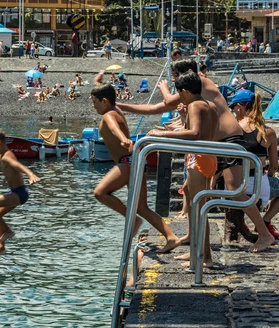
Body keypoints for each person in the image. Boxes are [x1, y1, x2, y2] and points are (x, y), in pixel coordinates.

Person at [118, 60, 275, 252]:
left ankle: (264, 234)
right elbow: (158, 109)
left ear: (188, 75)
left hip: (230, 139)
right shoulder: (193, 96)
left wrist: (164, 88)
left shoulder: (202, 82)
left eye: (176, 77)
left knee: (235, 191)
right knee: (189, 189)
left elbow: (165, 103)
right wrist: (122, 107)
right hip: (214, 143)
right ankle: (194, 236)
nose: (175, 81)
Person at [91, 70, 181, 253]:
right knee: (142, 207)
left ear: (105, 101)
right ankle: (171, 237)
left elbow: (113, 127)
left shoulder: (108, 115)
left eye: (95, 102)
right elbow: (104, 96)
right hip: (137, 160)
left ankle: (131, 219)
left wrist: (123, 138)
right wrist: (98, 80)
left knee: (100, 192)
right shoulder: (115, 108)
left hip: (127, 162)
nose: (94, 106)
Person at [148, 72, 219, 267]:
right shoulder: (209, 105)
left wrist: (162, 135)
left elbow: (195, 133)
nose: (180, 98)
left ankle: (204, 258)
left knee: (197, 211)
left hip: (198, 158)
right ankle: (201, 255)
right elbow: (205, 132)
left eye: (180, 93)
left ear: (185, 91)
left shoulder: (195, 105)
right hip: (208, 157)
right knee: (198, 208)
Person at [0, 129, 40, 256]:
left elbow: (18, 165)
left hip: (19, 193)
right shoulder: (1, 155)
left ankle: (8, 231)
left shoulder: (7, 156)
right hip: (17, 192)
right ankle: (0, 247)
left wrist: (30, 174)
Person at [232, 90, 278, 225]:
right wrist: (268, 178)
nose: (233, 111)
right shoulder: (268, 132)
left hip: (233, 185)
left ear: (239, 106)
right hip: (259, 184)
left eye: (233, 107)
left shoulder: (232, 129)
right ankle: (266, 219)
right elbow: (274, 166)